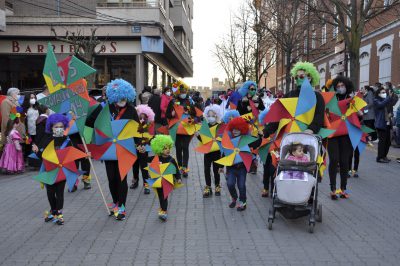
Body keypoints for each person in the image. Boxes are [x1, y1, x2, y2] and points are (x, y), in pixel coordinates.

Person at [86, 79, 139, 221]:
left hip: (124, 147)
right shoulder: (105, 108)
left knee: (121, 178)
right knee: (111, 178)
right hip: (108, 147)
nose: (122, 100)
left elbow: (137, 129)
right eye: (119, 98)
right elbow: (90, 122)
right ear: (113, 96)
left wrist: (139, 144)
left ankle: (122, 206)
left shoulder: (131, 110)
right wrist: (76, 118)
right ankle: (115, 201)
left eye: (124, 98)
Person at [32, 114, 71, 225]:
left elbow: (72, 155)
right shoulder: (47, 139)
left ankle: (59, 213)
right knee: (50, 193)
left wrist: (85, 155)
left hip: (61, 170)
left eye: (61, 126)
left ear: (64, 127)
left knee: (59, 193)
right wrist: (37, 151)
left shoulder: (67, 140)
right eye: (56, 126)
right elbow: (43, 156)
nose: (59, 128)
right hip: (49, 170)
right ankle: (53, 210)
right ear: (51, 128)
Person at [219, 117, 252, 211]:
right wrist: (221, 166)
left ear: (242, 129)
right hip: (231, 167)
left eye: (238, 129)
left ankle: (243, 202)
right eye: (233, 129)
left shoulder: (246, 140)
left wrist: (260, 135)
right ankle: (234, 197)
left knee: (241, 185)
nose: (235, 131)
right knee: (230, 184)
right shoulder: (228, 140)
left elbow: (254, 147)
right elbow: (224, 153)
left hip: (242, 168)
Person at [166, 85, 197, 177]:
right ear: (178, 92)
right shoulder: (173, 101)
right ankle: (179, 167)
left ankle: (185, 168)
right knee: (178, 148)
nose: (183, 94)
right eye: (181, 92)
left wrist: (190, 112)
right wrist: (171, 114)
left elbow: (195, 114)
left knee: (185, 148)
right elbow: (167, 114)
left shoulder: (190, 101)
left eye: (184, 92)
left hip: (186, 127)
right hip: (176, 127)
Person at [149, 135, 181, 221]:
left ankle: (164, 211)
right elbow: (146, 160)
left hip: (167, 181)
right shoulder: (156, 158)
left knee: (164, 196)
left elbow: (176, 170)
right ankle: (162, 208)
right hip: (158, 180)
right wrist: (142, 152)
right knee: (160, 196)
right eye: (164, 148)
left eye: (168, 147)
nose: (167, 150)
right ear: (159, 149)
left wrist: (178, 178)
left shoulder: (171, 159)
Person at [198, 104, 223, 198]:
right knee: (206, 169)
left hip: (217, 152)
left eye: (213, 115)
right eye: (209, 116)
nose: (211, 117)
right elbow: (204, 140)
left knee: (216, 169)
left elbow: (223, 139)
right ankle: (208, 186)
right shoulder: (206, 126)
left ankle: (217, 185)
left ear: (217, 115)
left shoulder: (219, 126)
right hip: (208, 151)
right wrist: (198, 136)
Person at [131, 104, 155, 193]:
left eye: (144, 118)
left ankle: (146, 185)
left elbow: (151, 137)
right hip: (134, 146)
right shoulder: (133, 125)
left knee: (144, 166)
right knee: (135, 165)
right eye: (140, 117)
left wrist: (145, 146)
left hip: (144, 148)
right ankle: (135, 181)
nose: (142, 119)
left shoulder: (149, 126)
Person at [374, 87, 393, 163]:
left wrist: (391, 114)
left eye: (385, 92)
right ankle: (379, 157)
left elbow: (390, 108)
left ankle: (384, 156)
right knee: (382, 142)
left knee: (387, 142)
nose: (384, 93)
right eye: (382, 92)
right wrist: (388, 97)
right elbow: (381, 105)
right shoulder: (376, 100)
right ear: (378, 94)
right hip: (381, 124)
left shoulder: (386, 101)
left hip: (388, 123)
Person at [22, 93, 39, 160]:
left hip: (37, 130)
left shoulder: (38, 107)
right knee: (28, 145)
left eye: (34, 98)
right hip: (28, 131)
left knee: (37, 144)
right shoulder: (24, 109)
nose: (33, 99)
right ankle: (26, 159)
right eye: (31, 98)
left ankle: (35, 160)